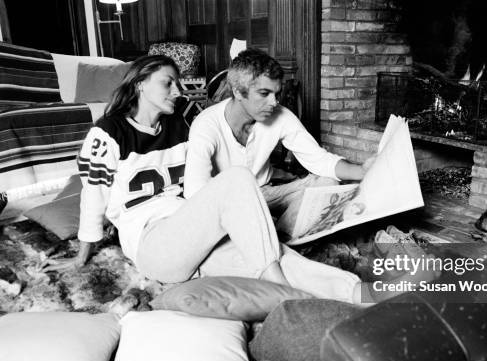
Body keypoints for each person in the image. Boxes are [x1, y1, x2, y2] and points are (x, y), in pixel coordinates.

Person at [40, 54, 364, 304]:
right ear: (140, 83)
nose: (178, 91)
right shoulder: (109, 131)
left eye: (178, 83)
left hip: (193, 232)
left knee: (272, 255)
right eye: (168, 83)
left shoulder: (181, 125)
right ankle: (279, 291)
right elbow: (93, 193)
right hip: (154, 243)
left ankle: (359, 295)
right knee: (239, 180)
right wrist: (82, 254)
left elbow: (200, 189)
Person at [184, 48, 374, 235]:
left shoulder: (280, 115)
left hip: (266, 194)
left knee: (328, 183)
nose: (274, 102)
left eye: (277, 93)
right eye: (264, 94)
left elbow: (319, 160)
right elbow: (195, 192)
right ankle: (273, 233)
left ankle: (279, 235)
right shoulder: (206, 124)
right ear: (238, 92)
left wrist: (363, 171)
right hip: (227, 204)